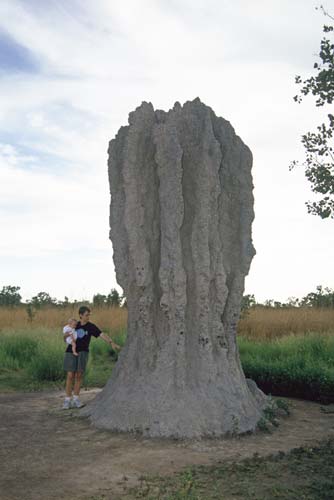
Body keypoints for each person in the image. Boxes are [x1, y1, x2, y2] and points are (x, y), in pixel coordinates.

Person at [62, 305, 121, 409]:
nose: (88, 317)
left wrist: (111, 342)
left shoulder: (91, 327)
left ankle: (76, 399)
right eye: (86, 315)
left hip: (83, 353)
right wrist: (66, 336)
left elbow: (101, 334)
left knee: (79, 375)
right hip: (71, 351)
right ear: (80, 315)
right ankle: (67, 400)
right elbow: (65, 337)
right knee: (70, 375)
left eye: (89, 315)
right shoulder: (75, 324)